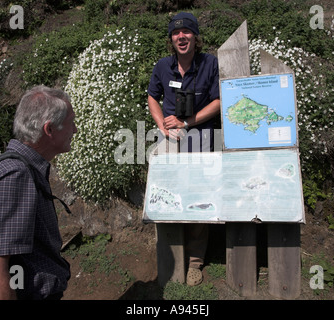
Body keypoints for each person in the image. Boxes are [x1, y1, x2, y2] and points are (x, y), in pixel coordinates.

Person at [0, 85, 77, 300]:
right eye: (71, 123)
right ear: (49, 130)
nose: (75, 130)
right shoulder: (13, 176)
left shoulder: (25, 169)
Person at [147, 12, 220, 286]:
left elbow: (219, 101)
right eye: (176, 34)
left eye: (187, 32)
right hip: (171, 138)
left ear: (195, 37)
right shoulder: (163, 66)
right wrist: (163, 126)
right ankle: (171, 257)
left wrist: (186, 122)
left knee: (199, 198)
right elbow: (152, 96)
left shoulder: (210, 63)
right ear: (171, 40)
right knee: (165, 194)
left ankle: (195, 262)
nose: (181, 37)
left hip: (201, 137)